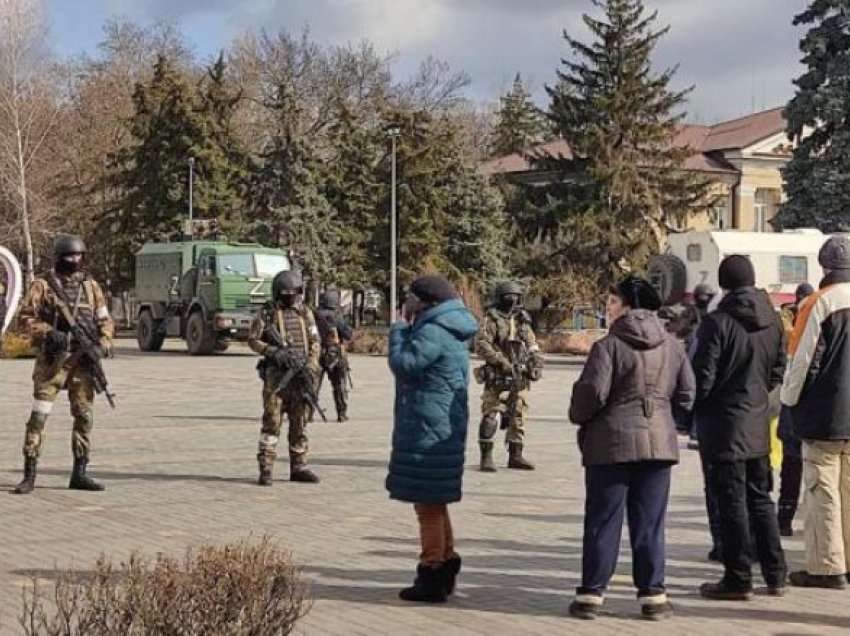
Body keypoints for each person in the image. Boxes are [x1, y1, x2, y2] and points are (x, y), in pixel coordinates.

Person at [568, 276, 695, 621]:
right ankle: (654, 595)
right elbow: (687, 394)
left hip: (610, 444)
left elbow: (591, 394)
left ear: (626, 305)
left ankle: (591, 594)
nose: (608, 308)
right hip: (659, 444)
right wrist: (667, 418)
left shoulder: (607, 346)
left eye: (611, 302)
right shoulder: (672, 345)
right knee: (650, 523)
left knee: (602, 520)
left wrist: (579, 417)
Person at [693, 255, 787, 600]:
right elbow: (779, 367)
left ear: (724, 284)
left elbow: (703, 377)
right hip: (758, 421)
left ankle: (738, 576)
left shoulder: (717, 323)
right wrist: (759, 395)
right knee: (761, 499)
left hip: (724, 425)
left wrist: (696, 409)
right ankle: (776, 573)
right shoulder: (773, 321)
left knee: (731, 501)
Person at [386, 275, 478, 603]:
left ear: (426, 301)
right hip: (437, 422)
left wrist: (398, 329)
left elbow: (405, 364)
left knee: (427, 502)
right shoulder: (447, 326)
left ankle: (432, 570)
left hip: (428, 426)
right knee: (434, 500)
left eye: (411, 297)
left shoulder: (434, 330)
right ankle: (446, 560)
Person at [14, 235, 114, 494]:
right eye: (70, 257)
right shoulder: (43, 286)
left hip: (82, 363)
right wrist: (48, 332)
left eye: (79, 256)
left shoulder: (92, 287)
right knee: (39, 416)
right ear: (59, 258)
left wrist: (102, 344)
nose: (75, 261)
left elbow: (105, 320)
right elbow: (25, 318)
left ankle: (79, 473)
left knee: (84, 416)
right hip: (52, 363)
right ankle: (29, 473)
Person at [781, 236, 850, 589]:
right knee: (849, 491)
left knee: (822, 490)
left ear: (824, 267)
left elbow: (802, 359)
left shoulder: (818, 303)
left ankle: (827, 567)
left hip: (824, 414)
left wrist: (790, 400)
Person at [248, 270, 321, 485]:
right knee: (272, 421)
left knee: (300, 422)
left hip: (302, 377)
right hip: (277, 378)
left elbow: (315, 341)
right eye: (287, 293)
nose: (291, 297)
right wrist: (273, 352)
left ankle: (299, 465)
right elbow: (253, 340)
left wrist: (311, 365)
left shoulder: (305, 312)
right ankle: (266, 468)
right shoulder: (267, 313)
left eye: (295, 293)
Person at [474, 281, 544, 472]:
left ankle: (516, 455)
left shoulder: (521, 320)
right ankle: (486, 457)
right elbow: (481, 344)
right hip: (497, 374)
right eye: (509, 296)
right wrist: (500, 360)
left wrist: (536, 360)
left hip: (518, 374)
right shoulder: (492, 319)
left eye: (516, 296)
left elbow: (531, 342)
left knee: (518, 414)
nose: (512, 300)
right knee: (491, 413)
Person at [776, 282, 815, 537]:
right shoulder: (802, 322)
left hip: (793, 406)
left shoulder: (793, 323)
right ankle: (788, 519)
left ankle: (784, 519)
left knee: (792, 471)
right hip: (808, 411)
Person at [315, 289, 354, 422]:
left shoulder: (315, 315)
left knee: (313, 385)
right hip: (335, 354)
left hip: (317, 353)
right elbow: (348, 334)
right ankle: (341, 414)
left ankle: (307, 414)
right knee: (339, 386)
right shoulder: (336, 316)